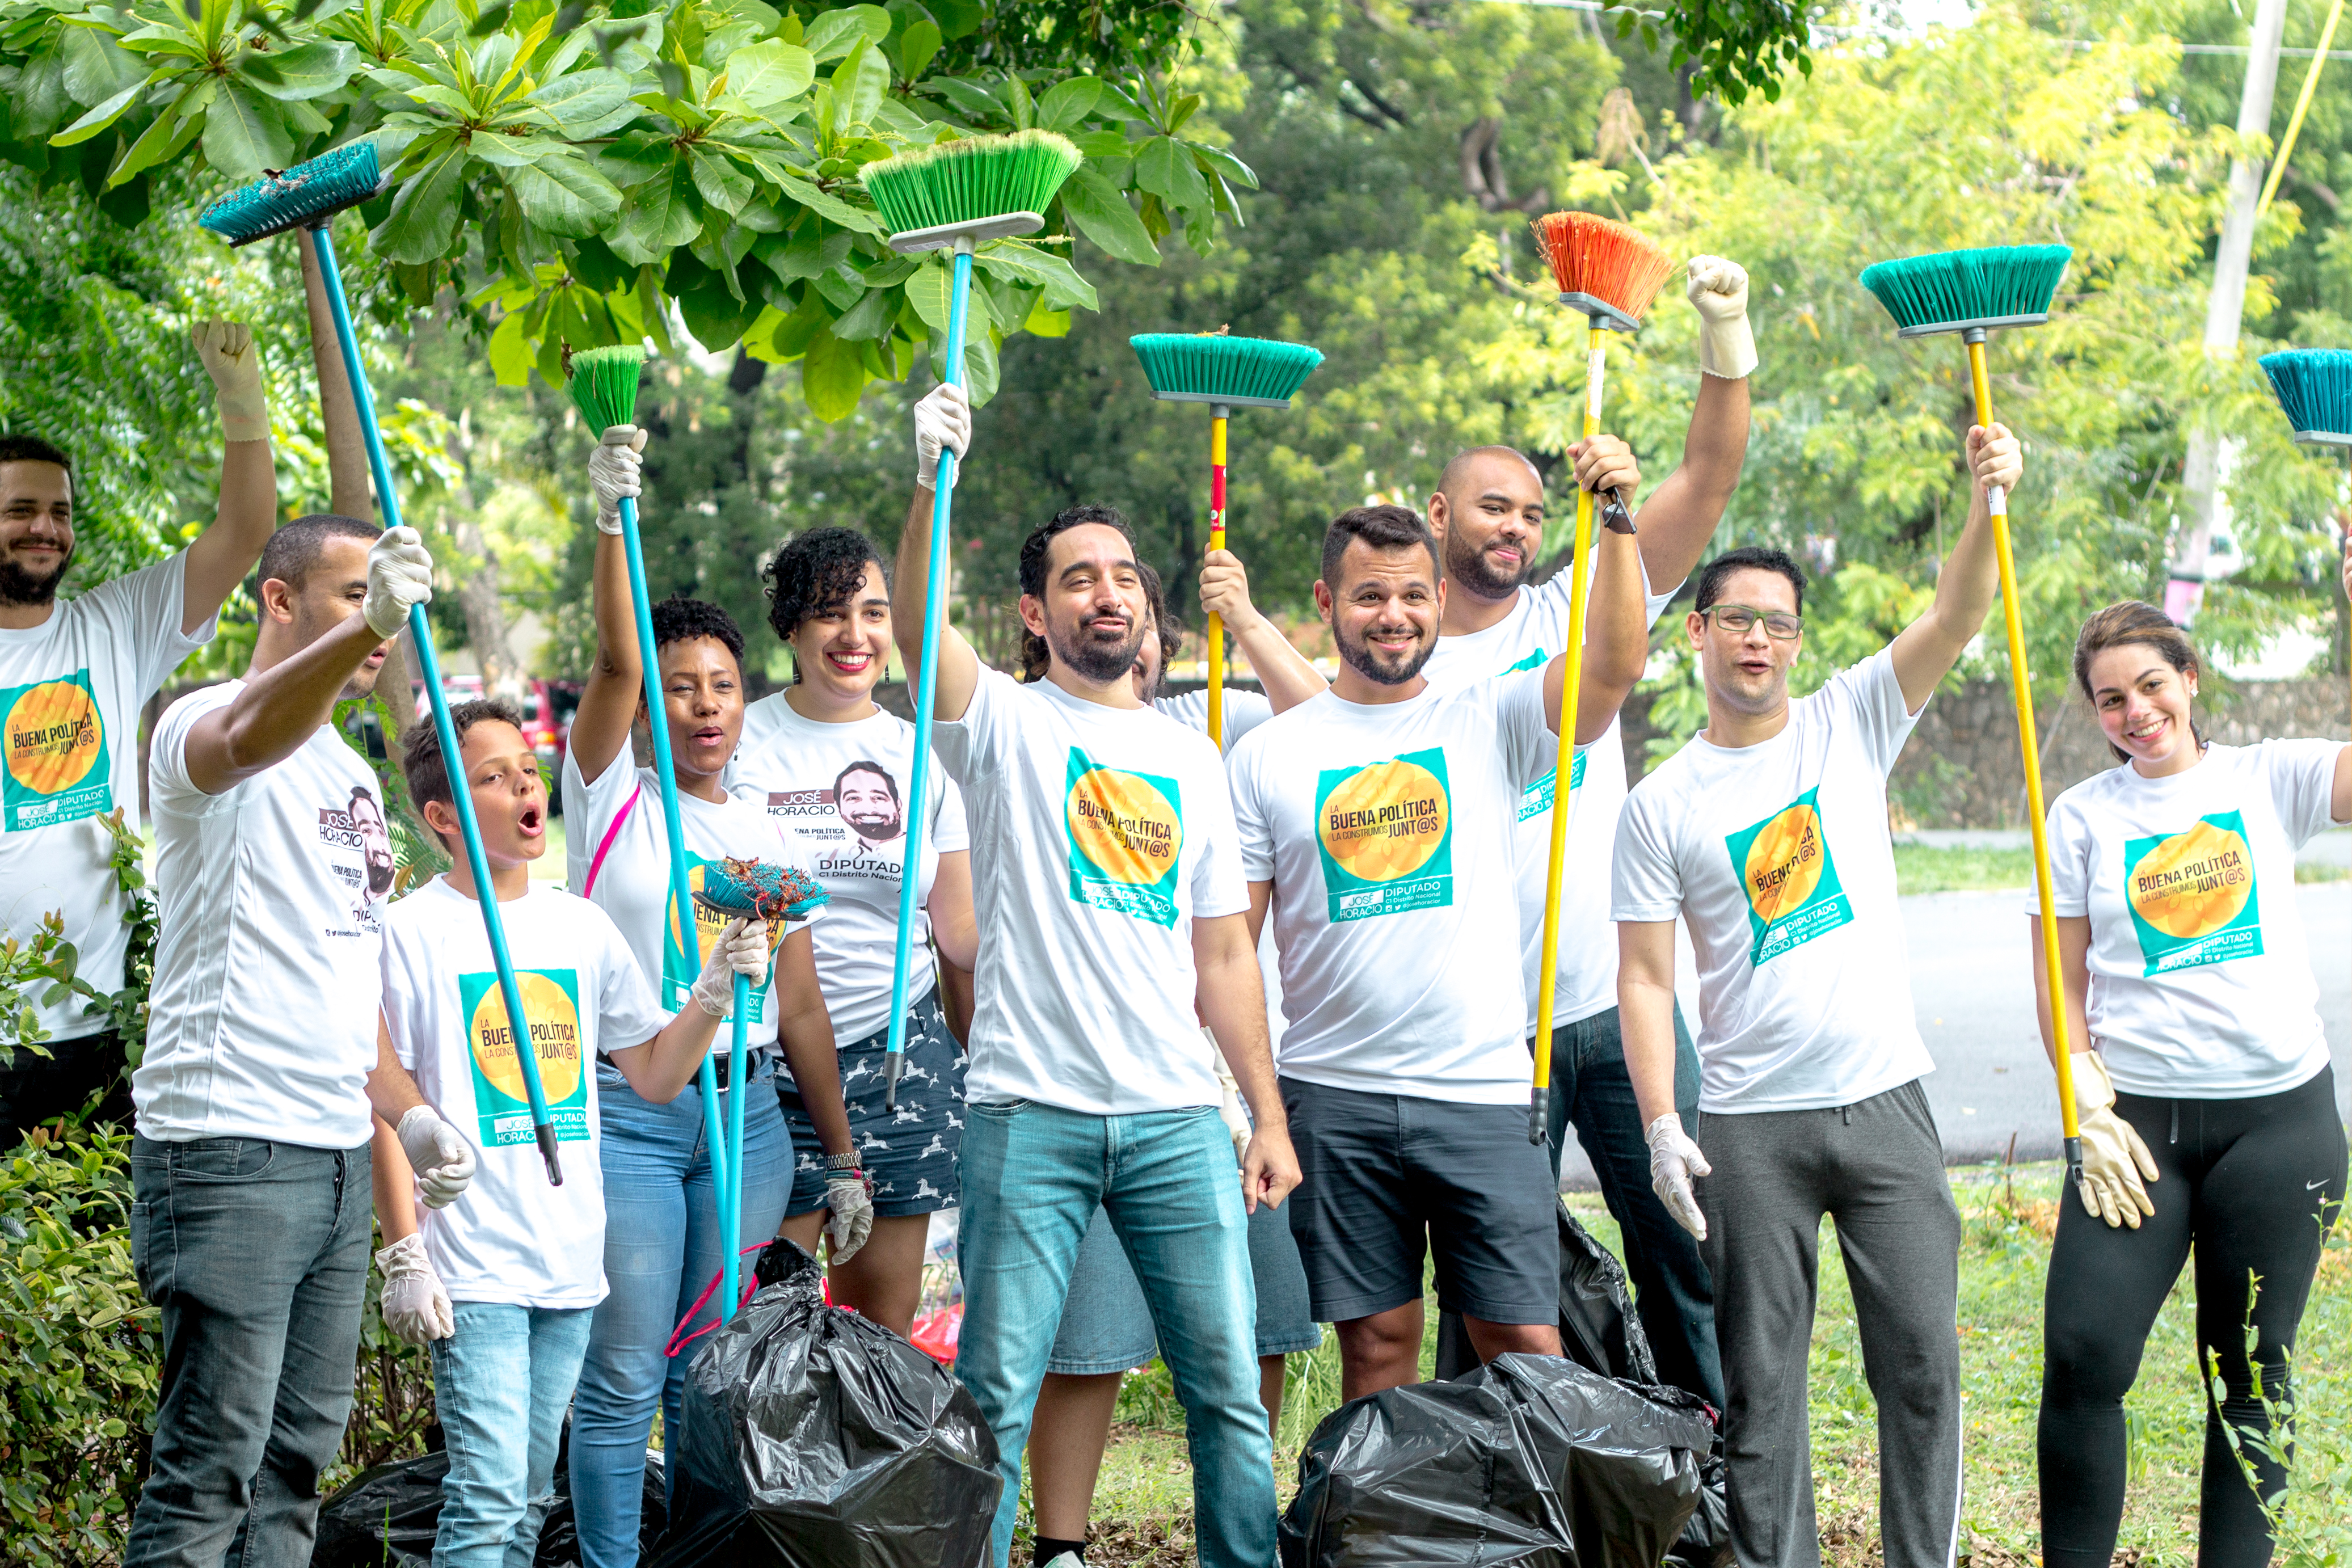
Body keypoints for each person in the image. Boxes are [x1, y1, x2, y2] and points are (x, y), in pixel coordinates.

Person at [895, 383, 1300, 1568]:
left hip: (1178, 1116)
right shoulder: (1007, 727)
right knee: (994, 1396)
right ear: (1034, 610)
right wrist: (931, 479)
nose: (1107, 592)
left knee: (1227, 1389)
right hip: (1031, 1110)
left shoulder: (1190, 758)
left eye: (1122, 573)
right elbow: (921, 625)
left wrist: (1263, 1116)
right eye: (1078, 576)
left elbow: (1223, 953)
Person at [1615, 421, 2023, 1568]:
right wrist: (1659, 1124)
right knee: (1762, 1385)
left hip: (1886, 1100)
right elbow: (1645, 975)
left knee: (1925, 1369)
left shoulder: (1850, 720)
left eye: (1779, 622)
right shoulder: (1661, 803)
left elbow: (1955, 618)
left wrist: (1989, 506)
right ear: (1696, 631)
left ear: (1799, 641)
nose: (1760, 638)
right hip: (1751, 1124)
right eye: (1738, 617)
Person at [1416, 255, 1755, 1407]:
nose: (1512, 525)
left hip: (1614, 1015)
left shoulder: (1583, 605)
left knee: (1687, 1254)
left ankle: (1716, 1483)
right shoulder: (1390, 665)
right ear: (1438, 515)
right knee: (1491, 1291)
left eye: (1527, 507)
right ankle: (1496, 1492)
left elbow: (1709, 478)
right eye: (1489, 505)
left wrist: (1725, 332)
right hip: (1476, 1034)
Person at [1228, 498, 1649, 1401]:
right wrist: (1258, 1106)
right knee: (1375, 1345)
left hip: (1481, 1092)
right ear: (1326, 602)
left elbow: (1613, 665)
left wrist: (1616, 526)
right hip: (1332, 1093)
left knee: (1523, 1342)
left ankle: (1545, 1537)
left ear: (1437, 603)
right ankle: (1379, 1533)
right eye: (1370, 595)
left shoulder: (1487, 720)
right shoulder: (1268, 757)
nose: (1395, 615)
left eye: (1414, 595)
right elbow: (1232, 952)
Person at [128, 516, 478, 1565]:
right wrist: (365, 625)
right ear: (280, 602)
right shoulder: (200, 727)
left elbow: (345, 974)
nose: (381, 621)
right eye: (352, 597)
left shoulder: (355, 782)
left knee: (294, 1474)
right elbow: (247, 737)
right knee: (208, 1473)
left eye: (388, 602)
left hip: (331, 1158)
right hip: (229, 1147)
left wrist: (407, 1113)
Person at [368, 696, 773, 1568]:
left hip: (568, 1256)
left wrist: (709, 993)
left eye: (526, 766)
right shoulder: (407, 931)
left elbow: (658, 1074)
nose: (524, 783)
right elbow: (373, 1081)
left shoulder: (578, 925)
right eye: (491, 776)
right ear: (441, 817)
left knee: (525, 1501)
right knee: (486, 1494)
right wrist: (404, 1250)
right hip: (470, 1261)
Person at [565, 431, 860, 1568]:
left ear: (747, 700)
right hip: (636, 1114)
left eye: (722, 686)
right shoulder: (607, 799)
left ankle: (695, 1555)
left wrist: (840, 1158)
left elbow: (801, 1011)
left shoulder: (767, 833)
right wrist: (611, 518)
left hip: (745, 1119)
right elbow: (612, 664)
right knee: (627, 1369)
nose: (702, 705)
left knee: (711, 1372)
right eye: (679, 686)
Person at [2031, 587, 2351, 1568]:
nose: (2135, 713)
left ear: (2191, 680)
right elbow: (2057, 973)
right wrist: (2080, 1093)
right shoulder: (2079, 816)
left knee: (2248, 1373)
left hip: (2277, 1129)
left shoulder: (2268, 778)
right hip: (2138, 1135)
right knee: (2084, 1357)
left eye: (2150, 685)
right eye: (2109, 699)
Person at [1024, 558, 1326, 1568]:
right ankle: (1059, 1546)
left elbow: (1325, 717)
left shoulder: (1210, 737)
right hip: (1054, 1097)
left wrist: (1239, 613)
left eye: (1137, 598)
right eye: (1087, 585)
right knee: (1068, 1346)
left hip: (1202, 1103)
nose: (1123, 619)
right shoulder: (1024, 731)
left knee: (1240, 1358)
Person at [0, 325, 278, 1137]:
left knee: (95, 1256)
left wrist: (241, 398)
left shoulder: (116, 625)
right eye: (20, 510)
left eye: (58, 511)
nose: (43, 528)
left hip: (105, 1028)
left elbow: (245, 531)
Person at [727, 526, 979, 1336]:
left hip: (899, 1057)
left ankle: (868, 1467)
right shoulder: (741, 745)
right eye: (831, 614)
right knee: (768, 1324)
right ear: (792, 627)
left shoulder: (918, 757)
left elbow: (960, 938)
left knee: (880, 1329)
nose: (856, 635)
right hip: (770, 1065)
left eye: (874, 613)